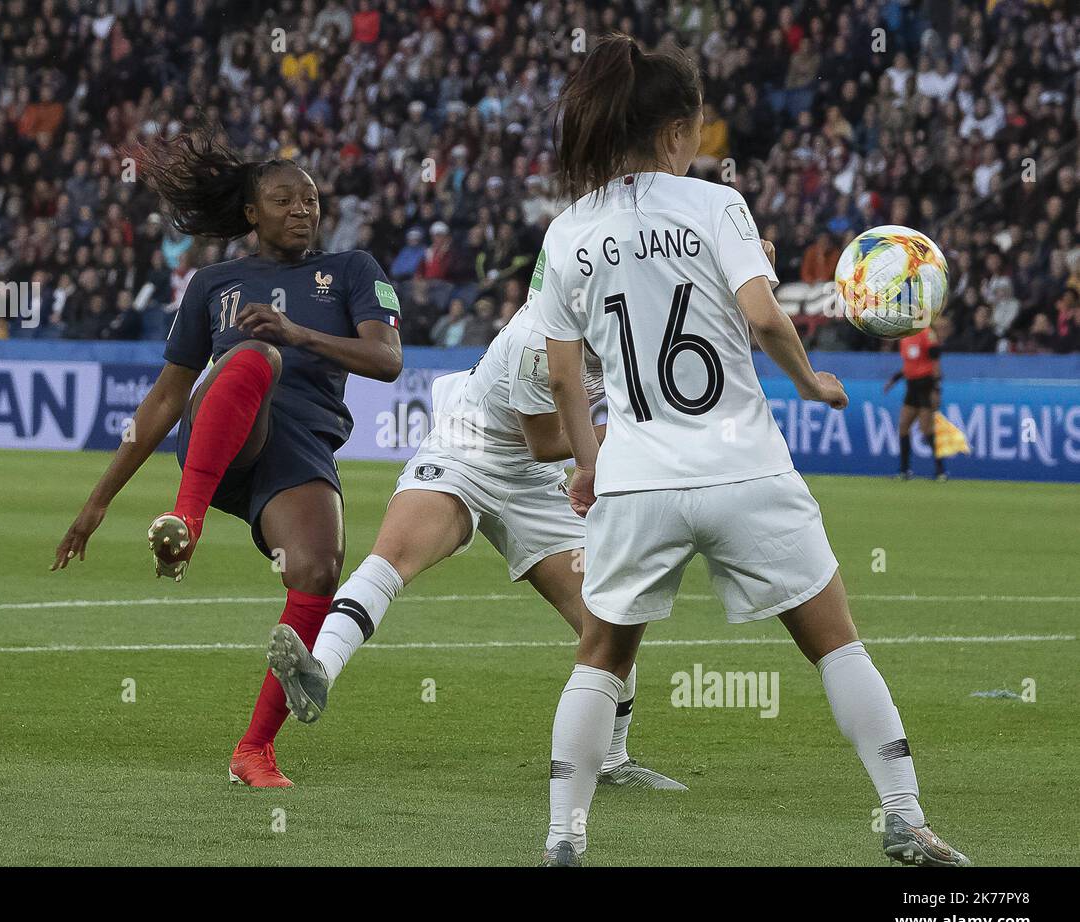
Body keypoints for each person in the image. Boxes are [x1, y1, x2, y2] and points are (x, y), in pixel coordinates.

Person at [529, 35, 967, 867]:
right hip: (745, 468)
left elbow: (561, 377)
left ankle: (563, 838)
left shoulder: (568, 232)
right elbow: (764, 318)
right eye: (696, 125)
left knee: (601, 655)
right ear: (674, 134)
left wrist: (587, 464)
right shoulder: (714, 205)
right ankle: (904, 816)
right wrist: (811, 383)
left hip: (639, 476)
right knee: (835, 640)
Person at [51, 124, 403, 788]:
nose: (302, 210)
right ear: (250, 212)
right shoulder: (215, 282)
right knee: (254, 356)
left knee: (318, 571)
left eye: (310, 200)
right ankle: (188, 525)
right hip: (225, 431)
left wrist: (300, 332)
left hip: (297, 449)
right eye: (282, 200)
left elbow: (387, 359)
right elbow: (162, 400)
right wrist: (96, 503)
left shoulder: (352, 271)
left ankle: (254, 751)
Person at [265, 297, 686, 791]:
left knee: (608, 614)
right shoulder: (539, 338)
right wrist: (638, 433)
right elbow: (545, 440)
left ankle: (612, 760)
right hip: (469, 447)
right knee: (392, 558)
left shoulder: (627, 315)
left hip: (534, 480)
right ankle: (319, 671)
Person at [884, 322, 947, 479]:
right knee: (904, 426)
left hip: (925, 385)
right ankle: (904, 470)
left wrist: (937, 389)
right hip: (911, 386)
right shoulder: (905, 337)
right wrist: (894, 379)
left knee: (926, 429)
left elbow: (935, 361)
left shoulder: (927, 333)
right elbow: (909, 365)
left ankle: (940, 471)